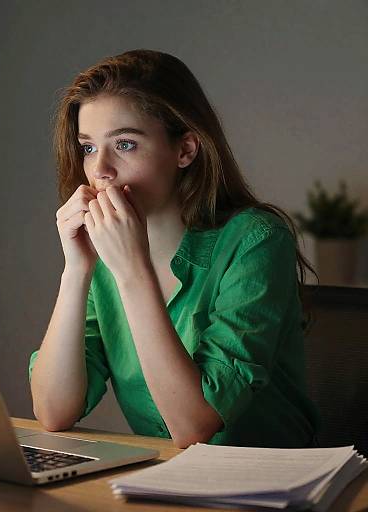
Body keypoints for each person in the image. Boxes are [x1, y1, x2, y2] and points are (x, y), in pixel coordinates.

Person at [28, 49, 320, 449]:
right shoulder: (103, 256)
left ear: (185, 150)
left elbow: (194, 427)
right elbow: (53, 410)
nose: (100, 170)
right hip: (163, 482)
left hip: (263, 488)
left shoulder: (257, 240)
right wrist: (76, 269)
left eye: (125, 144)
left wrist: (132, 272)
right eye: (89, 147)